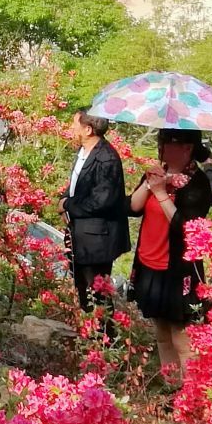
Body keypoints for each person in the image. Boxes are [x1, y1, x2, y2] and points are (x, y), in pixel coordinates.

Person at [129, 128, 212, 386]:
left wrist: (161, 193)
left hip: (177, 269)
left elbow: (185, 226)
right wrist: (150, 183)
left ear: (187, 148)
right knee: (162, 333)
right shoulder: (158, 173)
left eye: (168, 143)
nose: (163, 148)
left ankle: (192, 394)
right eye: (162, 141)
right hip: (149, 263)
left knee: (182, 336)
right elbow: (132, 208)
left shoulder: (197, 183)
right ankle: (172, 388)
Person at [61, 110, 129, 316]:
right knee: (83, 292)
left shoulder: (106, 158)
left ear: (88, 129)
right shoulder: (83, 151)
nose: (72, 128)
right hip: (79, 233)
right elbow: (76, 185)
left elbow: (101, 201)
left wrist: (67, 205)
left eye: (75, 124)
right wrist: (65, 201)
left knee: (97, 294)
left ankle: (104, 339)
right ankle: (89, 337)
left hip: (96, 240)